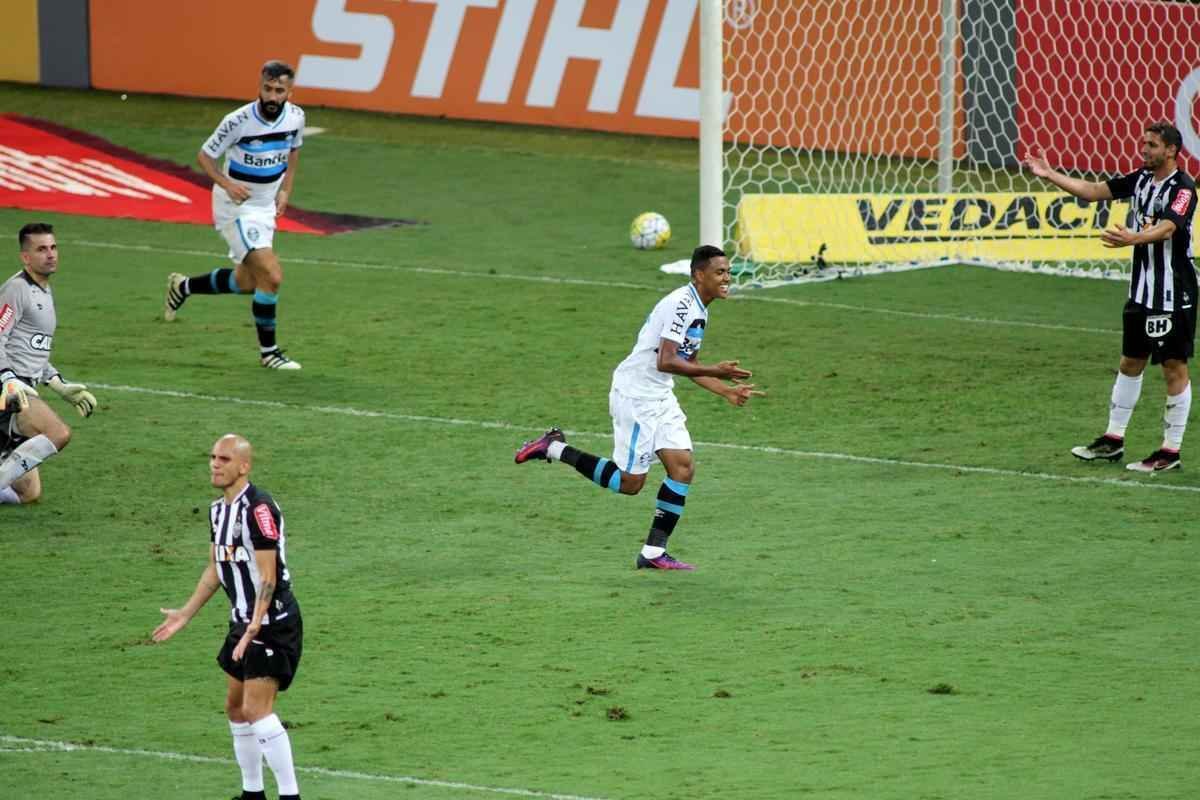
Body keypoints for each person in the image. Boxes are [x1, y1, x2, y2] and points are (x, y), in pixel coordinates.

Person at [515, 245, 765, 569]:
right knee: (630, 483)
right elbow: (666, 360)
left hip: (659, 394)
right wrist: (717, 371)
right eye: (720, 272)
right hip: (636, 395)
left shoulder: (700, 308)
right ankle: (554, 448)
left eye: (728, 272)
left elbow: (687, 362)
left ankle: (653, 553)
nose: (727, 278)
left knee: (683, 467)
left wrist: (725, 391)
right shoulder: (681, 305)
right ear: (698, 275)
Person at [1025, 122, 1197, 472]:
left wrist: (1133, 238)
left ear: (1170, 150)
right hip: (1141, 291)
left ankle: (1170, 451)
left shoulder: (1184, 187)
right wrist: (1048, 174)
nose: (1144, 149)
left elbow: (1169, 226)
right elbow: (1091, 191)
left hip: (1172, 294)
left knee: (1173, 367)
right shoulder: (1140, 180)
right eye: (1143, 143)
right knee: (1130, 363)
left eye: (1151, 145)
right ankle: (1113, 440)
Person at [153, 434, 303, 800]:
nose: (215, 464)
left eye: (223, 459)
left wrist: (255, 625)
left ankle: (290, 795)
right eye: (212, 457)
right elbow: (215, 568)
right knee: (235, 707)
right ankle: (253, 793)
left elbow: (268, 575)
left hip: (271, 622)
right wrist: (186, 613)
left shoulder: (259, 509)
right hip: (242, 621)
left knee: (256, 708)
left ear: (244, 466)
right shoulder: (217, 511)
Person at [164, 60, 305, 370]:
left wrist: (286, 191)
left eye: (278, 90)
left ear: (289, 93)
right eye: (267, 88)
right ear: (260, 86)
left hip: (265, 207)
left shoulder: (296, 118)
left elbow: (293, 150)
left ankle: (183, 287)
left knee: (246, 282)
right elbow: (205, 155)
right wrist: (226, 184)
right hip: (236, 208)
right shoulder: (238, 120)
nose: (271, 96)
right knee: (272, 275)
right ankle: (269, 353)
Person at [0, 222, 97, 505]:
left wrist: (59, 384)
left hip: (24, 386)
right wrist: (7, 379)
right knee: (58, 433)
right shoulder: (17, 290)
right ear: (25, 257)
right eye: (41, 249)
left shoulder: (43, 290)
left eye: (53, 247)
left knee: (29, 493)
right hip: (10, 391)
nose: (51, 254)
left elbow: (33, 350)